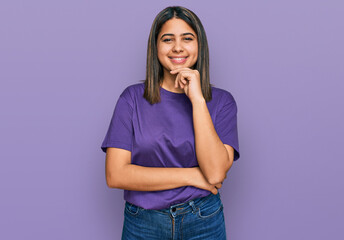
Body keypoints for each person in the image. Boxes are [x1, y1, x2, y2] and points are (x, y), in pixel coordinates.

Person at [101, 6, 240, 240]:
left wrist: (197, 99)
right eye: (168, 39)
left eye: (187, 38)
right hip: (143, 223)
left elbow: (215, 173)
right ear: (156, 47)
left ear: (199, 46)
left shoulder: (222, 102)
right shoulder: (132, 99)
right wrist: (192, 176)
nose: (177, 47)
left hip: (204, 220)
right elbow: (116, 175)